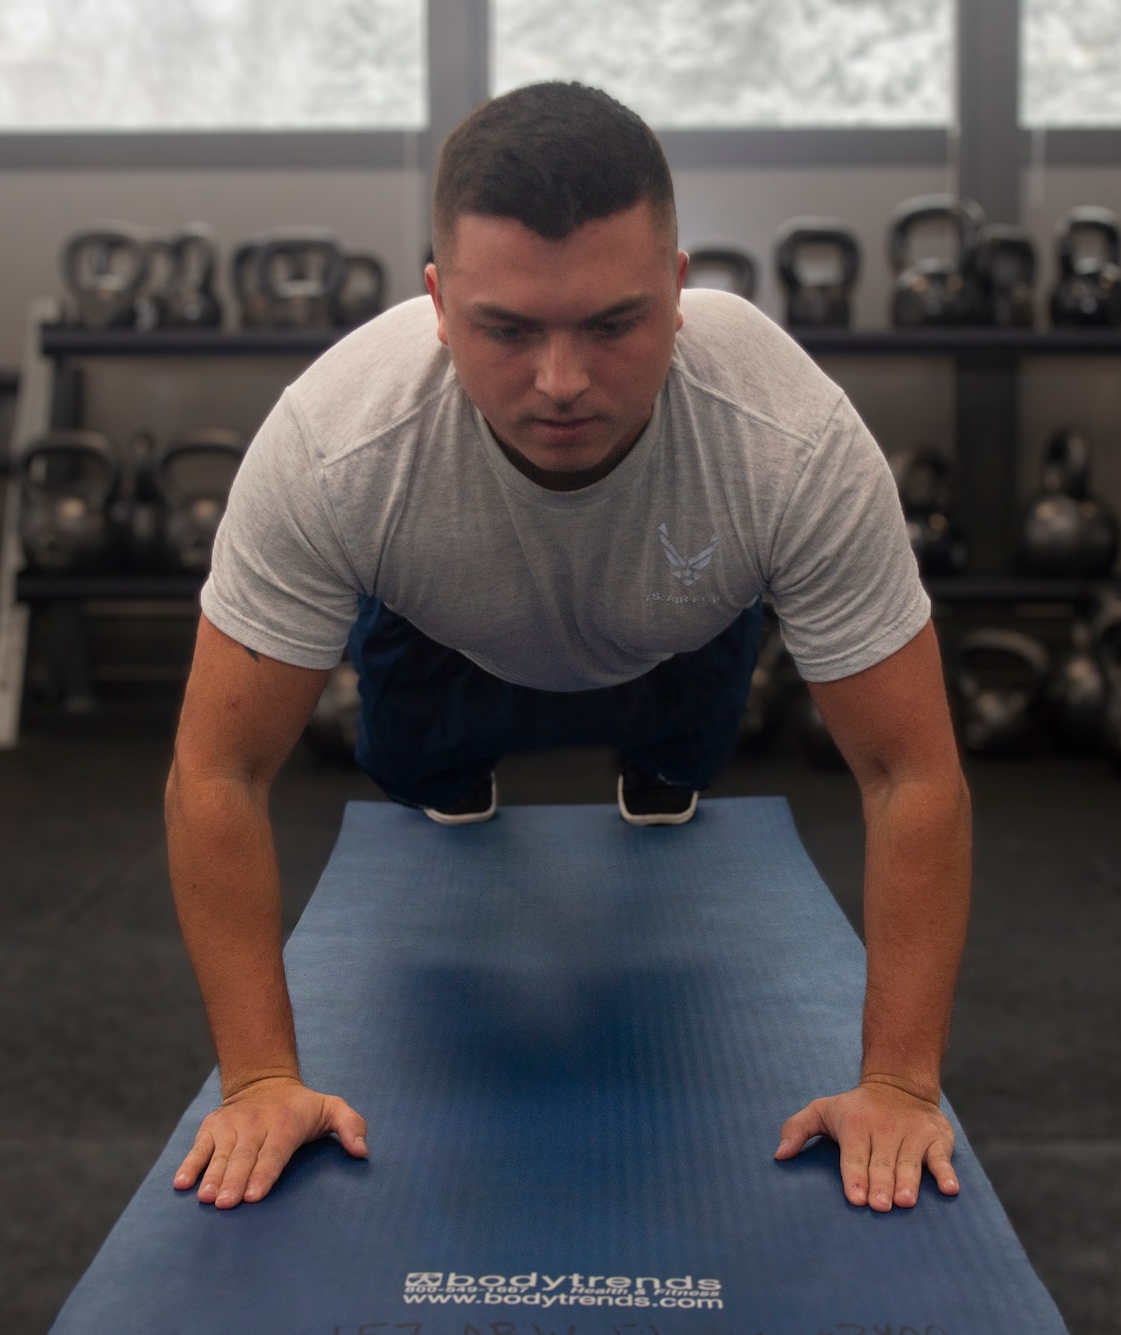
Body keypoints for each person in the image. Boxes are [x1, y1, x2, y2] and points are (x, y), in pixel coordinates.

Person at [164, 83, 971, 1218]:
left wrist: (896, 1081)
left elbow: (909, 771)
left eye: (611, 323)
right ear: (437, 305)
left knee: (679, 762)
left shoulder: (785, 440)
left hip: (674, 613)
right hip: (444, 619)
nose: (559, 381)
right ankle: (462, 763)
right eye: (505, 328)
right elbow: (217, 770)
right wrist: (256, 1080)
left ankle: (657, 757)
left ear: (678, 293)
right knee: (420, 773)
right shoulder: (336, 443)